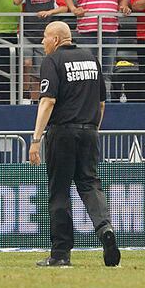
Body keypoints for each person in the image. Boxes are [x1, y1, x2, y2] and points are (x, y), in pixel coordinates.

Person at [27, 21, 121, 267]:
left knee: (59, 191)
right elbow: (101, 103)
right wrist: (93, 129)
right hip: (90, 131)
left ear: (56, 39)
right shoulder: (91, 58)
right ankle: (105, 230)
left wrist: (36, 139)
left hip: (63, 132)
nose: (42, 42)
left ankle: (60, 253)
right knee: (90, 185)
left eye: (45, 37)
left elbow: (48, 101)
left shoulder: (53, 60)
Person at [63, 0, 132, 94]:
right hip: (87, 30)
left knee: (106, 73)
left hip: (110, 30)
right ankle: (88, 108)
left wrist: (124, 5)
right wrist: (74, 8)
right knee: (87, 72)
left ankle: (106, 108)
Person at [12, 0, 68, 101]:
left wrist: (49, 12)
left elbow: (64, 7)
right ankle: (24, 96)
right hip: (26, 33)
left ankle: (35, 101)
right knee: (26, 64)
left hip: (44, 36)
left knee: (39, 71)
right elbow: (16, 1)